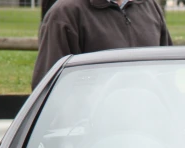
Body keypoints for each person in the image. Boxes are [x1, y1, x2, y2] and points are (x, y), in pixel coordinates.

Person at [31, 0, 173, 89]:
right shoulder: (65, 13)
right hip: (91, 130)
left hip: (148, 123)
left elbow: (167, 73)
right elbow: (49, 87)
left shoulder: (149, 6)